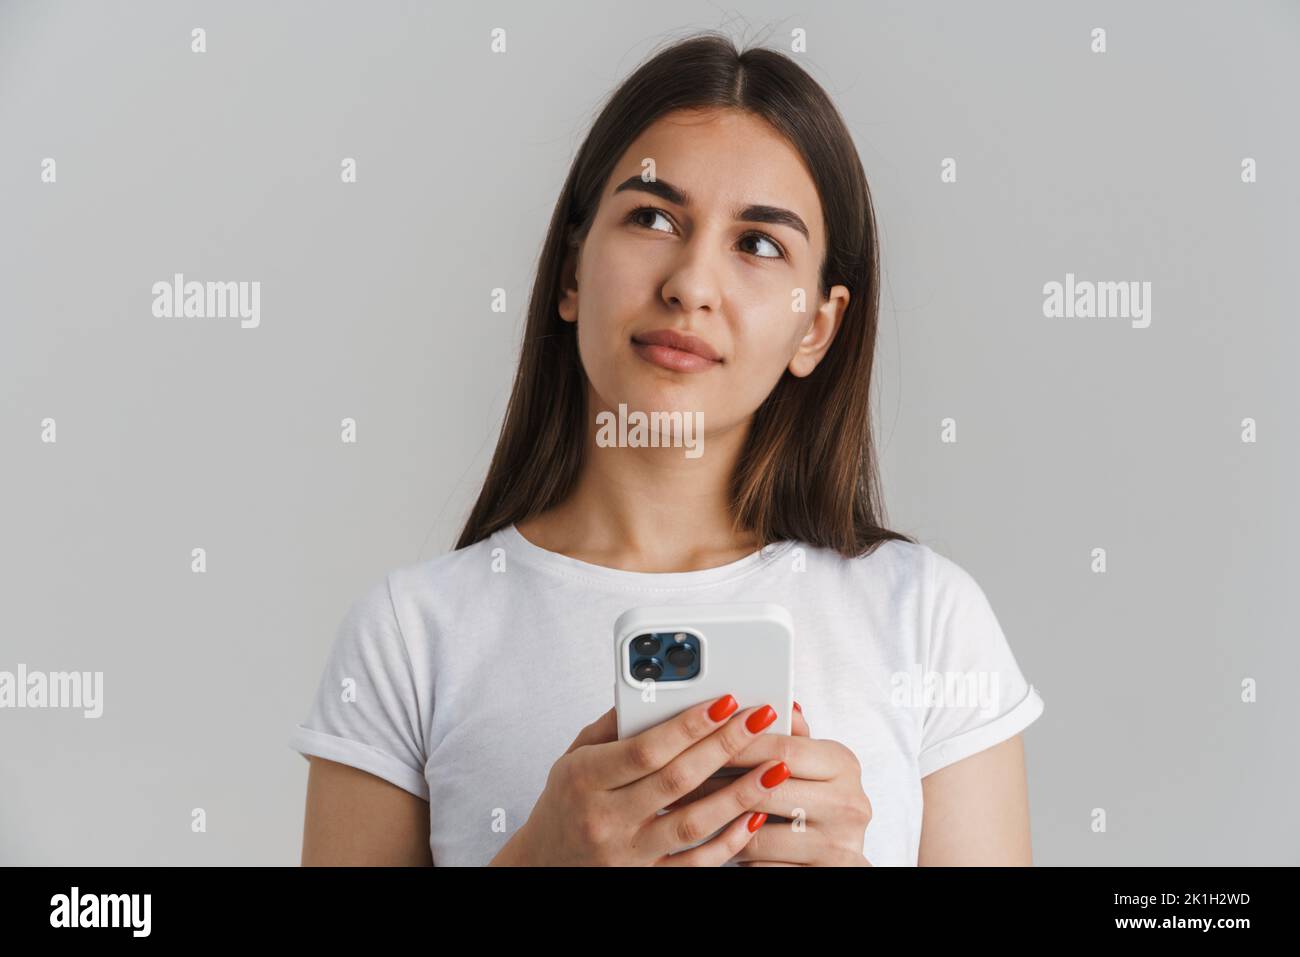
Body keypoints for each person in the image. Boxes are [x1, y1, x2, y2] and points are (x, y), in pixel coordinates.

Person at [289, 32, 1044, 866]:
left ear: (816, 327)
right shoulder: (410, 636)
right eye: (653, 216)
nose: (690, 283)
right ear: (573, 272)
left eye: (759, 244)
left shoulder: (928, 620)